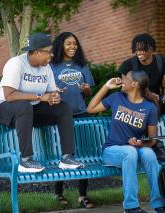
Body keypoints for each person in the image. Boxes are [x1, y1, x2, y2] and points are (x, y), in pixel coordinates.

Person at [0, 32, 83, 173]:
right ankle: (26, 160)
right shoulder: (16, 64)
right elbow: (9, 96)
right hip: (3, 109)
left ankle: (67, 158)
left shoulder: (46, 68)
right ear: (37, 52)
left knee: (63, 107)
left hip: (29, 111)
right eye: (48, 52)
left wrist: (54, 97)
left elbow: (51, 93)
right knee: (24, 106)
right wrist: (40, 97)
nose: (51, 55)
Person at [87, 70, 165, 213]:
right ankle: (131, 207)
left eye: (125, 78)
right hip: (112, 150)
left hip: (134, 150)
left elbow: (152, 140)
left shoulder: (150, 108)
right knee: (129, 152)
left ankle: (158, 204)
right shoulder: (117, 97)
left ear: (135, 84)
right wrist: (106, 86)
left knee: (149, 153)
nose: (121, 79)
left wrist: (140, 143)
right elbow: (90, 108)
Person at [118, 33, 165, 161]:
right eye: (136, 49)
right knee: (150, 103)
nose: (138, 52)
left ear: (151, 49)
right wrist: (147, 94)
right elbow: (125, 90)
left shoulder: (162, 62)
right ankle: (156, 145)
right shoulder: (128, 65)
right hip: (137, 105)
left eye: (142, 49)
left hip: (157, 101)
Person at [50, 32, 95, 208]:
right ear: (61, 45)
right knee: (63, 152)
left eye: (75, 44)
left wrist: (85, 89)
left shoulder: (81, 65)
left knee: (83, 152)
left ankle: (83, 195)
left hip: (81, 113)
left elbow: (89, 92)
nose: (72, 47)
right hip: (60, 115)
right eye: (68, 44)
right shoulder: (52, 66)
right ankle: (58, 193)